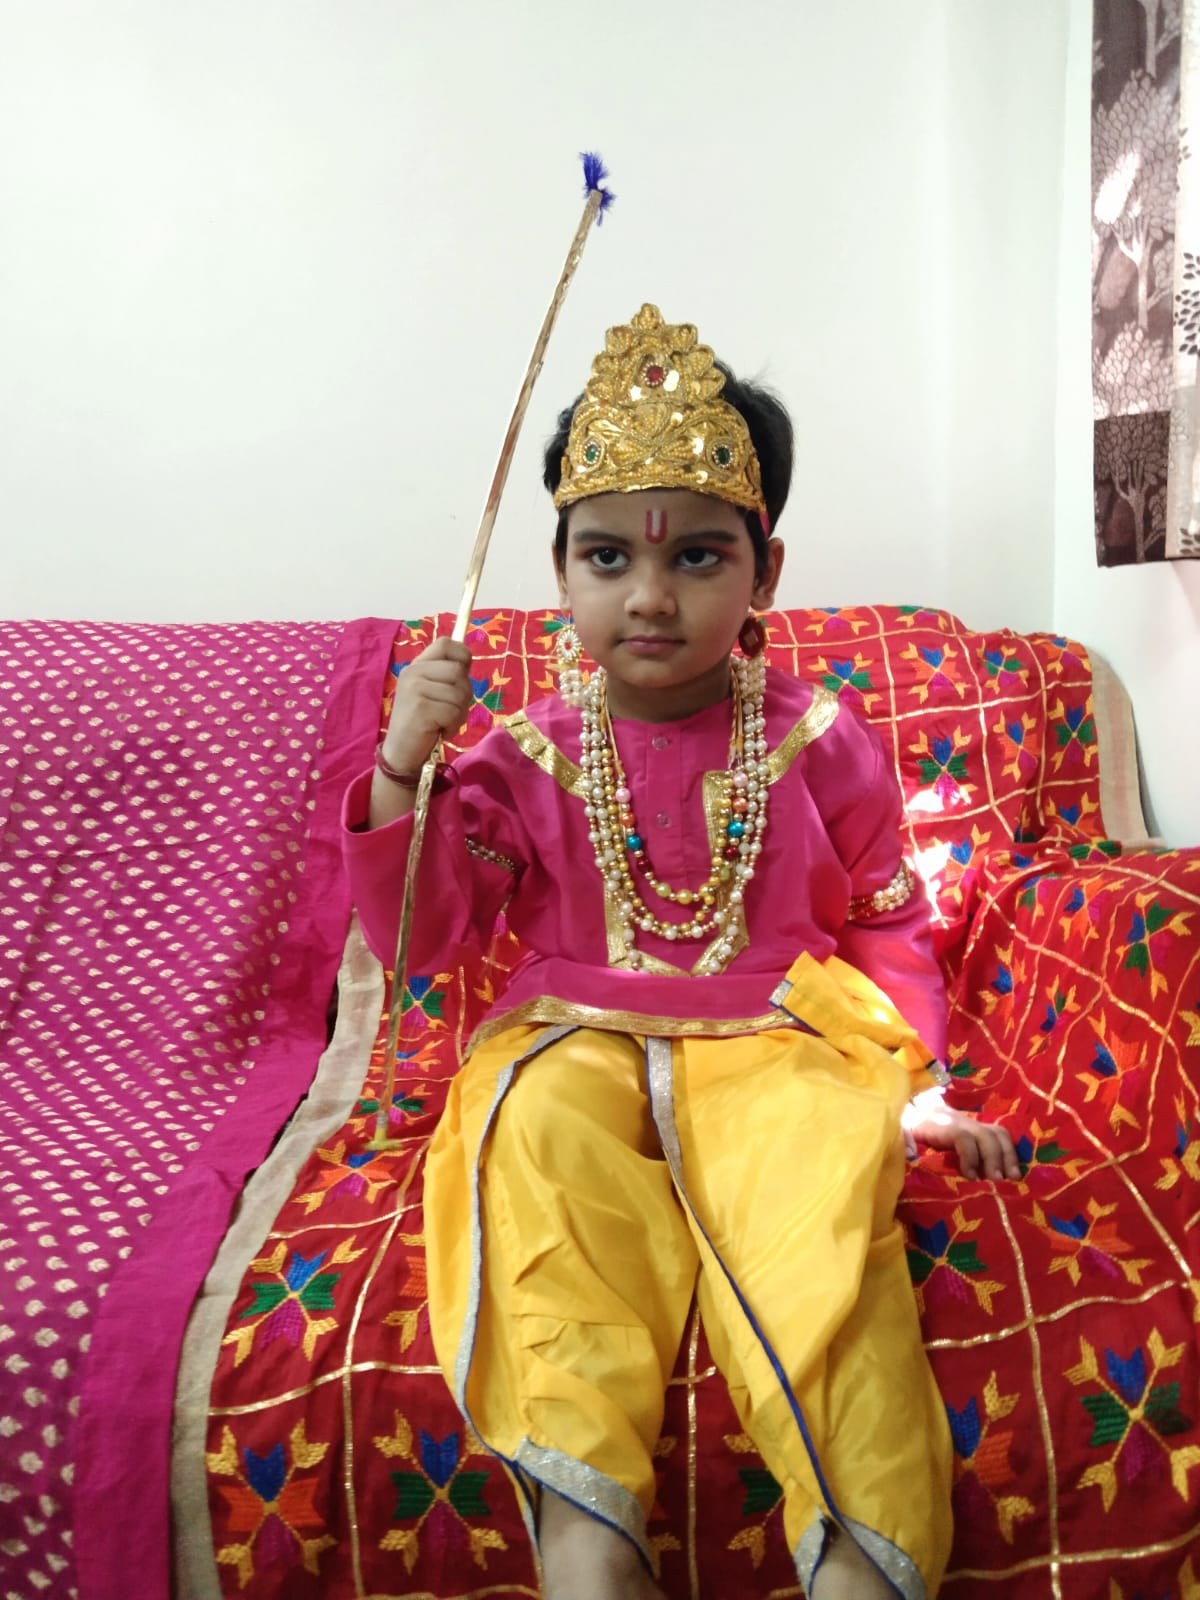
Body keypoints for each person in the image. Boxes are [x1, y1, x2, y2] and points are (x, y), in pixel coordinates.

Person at [343, 303, 1020, 1600]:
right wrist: (399, 769)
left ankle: (860, 1553)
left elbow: (886, 922)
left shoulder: (819, 738)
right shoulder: (528, 751)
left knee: (825, 1185)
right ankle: (588, 1538)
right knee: (532, 1142)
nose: (650, 596)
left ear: (765, 573)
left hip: (783, 1034)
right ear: (560, 574)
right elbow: (424, 933)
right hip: (572, 1035)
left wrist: (920, 1086)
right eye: (607, 556)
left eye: (698, 556)